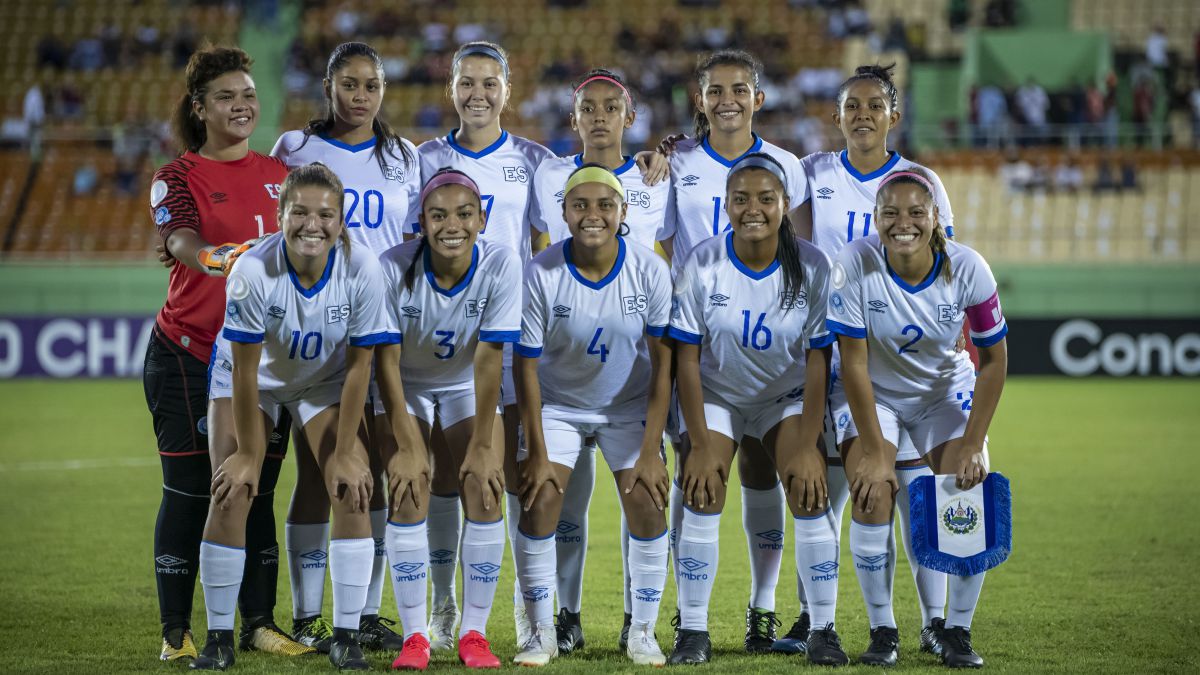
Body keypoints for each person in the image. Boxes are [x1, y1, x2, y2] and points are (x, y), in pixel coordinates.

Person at [786, 63, 958, 662]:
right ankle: (815, 615)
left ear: (893, 116)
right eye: (852, 106)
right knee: (828, 488)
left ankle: (933, 622)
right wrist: (671, 150)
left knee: (909, 492)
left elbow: (944, 266)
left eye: (874, 105)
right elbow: (796, 251)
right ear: (836, 116)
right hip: (831, 355)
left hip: (902, 363)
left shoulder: (921, 181)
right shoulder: (813, 173)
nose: (863, 115)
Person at [144, 45, 308, 663]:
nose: (241, 106)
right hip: (188, 356)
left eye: (248, 95)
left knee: (255, 489)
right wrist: (215, 257)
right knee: (194, 492)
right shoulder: (177, 175)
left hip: (262, 365)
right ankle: (175, 632)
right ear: (199, 107)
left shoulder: (281, 174)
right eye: (225, 97)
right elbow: (179, 239)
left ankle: (259, 623)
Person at [194, 162, 389, 671]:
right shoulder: (252, 271)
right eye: (299, 212)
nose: (312, 225)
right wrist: (248, 454)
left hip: (322, 381)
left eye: (325, 215)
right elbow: (244, 369)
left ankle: (346, 637)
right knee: (232, 487)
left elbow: (360, 366)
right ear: (279, 214)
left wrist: (345, 452)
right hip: (251, 380)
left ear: (341, 221)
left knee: (351, 485)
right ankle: (218, 639)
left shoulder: (363, 268)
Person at [270, 40, 422, 655]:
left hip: (386, 332)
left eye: (372, 86)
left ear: (384, 91)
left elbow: (411, 242)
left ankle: (362, 612)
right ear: (328, 87)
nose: (360, 96)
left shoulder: (405, 156)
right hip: (316, 330)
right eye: (349, 84)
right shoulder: (294, 149)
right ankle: (309, 616)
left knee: (375, 472)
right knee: (319, 471)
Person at [661, 49, 810, 655]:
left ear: (758, 98)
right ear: (699, 100)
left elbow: (800, 253)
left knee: (762, 471)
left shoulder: (788, 166)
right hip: (701, 348)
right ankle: (683, 613)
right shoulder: (675, 163)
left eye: (739, 89)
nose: (727, 100)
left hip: (772, 352)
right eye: (715, 91)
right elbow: (662, 244)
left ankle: (763, 609)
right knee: (695, 472)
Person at [828, 168, 1007, 669]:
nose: (902, 223)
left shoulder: (968, 267)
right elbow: (854, 363)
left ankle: (955, 630)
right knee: (871, 492)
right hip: (874, 394)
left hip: (942, 393)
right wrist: (874, 452)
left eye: (915, 213)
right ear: (875, 218)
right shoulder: (854, 262)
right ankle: (882, 628)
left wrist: (972, 443)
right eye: (890, 213)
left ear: (935, 219)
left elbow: (994, 361)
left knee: (967, 493)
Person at [409, 40, 555, 652]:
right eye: (466, 82)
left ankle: (527, 612)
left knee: (512, 476)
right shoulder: (422, 159)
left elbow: (557, 238)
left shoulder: (536, 161)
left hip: (510, 338)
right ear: (451, 89)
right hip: (440, 341)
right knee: (445, 476)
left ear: (507, 90)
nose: (478, 94)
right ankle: (443, 607)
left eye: (489, 82)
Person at [528, 67, 674, 654]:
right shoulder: (548, 175)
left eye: (611, 107)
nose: (599, 117)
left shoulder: (659, 177)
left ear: (629, 116)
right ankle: (554, 620)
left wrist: (666, 151)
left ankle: (640, 626)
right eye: (587, 107)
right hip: (562, 375)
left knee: (645, 496)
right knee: (557, 502)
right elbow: (531, 240)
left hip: (628, 378)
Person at [668, 153, 833, 665]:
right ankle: (693, 629)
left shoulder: (813, 265)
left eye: (766, 199)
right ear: (726, 205)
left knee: (808, 490)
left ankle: (821, 628)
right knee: (702, 488)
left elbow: (819, 360)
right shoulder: (703, 261)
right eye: (740, 199)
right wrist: (699, 443)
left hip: (784, 399)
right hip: (718, 395)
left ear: (785, 204)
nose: (752, 209)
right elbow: (686, 359)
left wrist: (807, 445)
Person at [377, 168, 523, 669]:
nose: (452, 225)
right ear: (421, 222)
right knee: (408, 486)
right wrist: (406, 444)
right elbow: (385, 360)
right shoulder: (392, 266)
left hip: (465, 382)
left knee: (485, 485)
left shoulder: (501, 263)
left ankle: (474, 634)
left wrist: (483, 444)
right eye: (438, 215)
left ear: (482, 218)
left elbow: (489, 359)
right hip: (405, 384)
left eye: (464, 214)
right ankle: (415, 636)